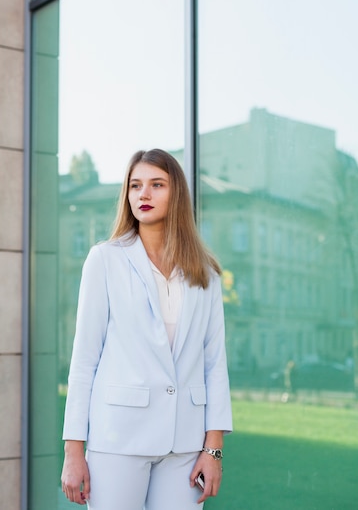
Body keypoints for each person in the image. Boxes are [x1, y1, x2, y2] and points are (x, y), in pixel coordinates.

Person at [61, 149, 232, 509]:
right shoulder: (105, 260)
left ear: (177, 195)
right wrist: (74, 451)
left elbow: (214, 363)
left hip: (184, 445)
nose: (144, 194)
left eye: (157, 185)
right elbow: (84, 359)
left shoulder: (207, 274)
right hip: (118, 439)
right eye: (135, 185)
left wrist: (213, 448)